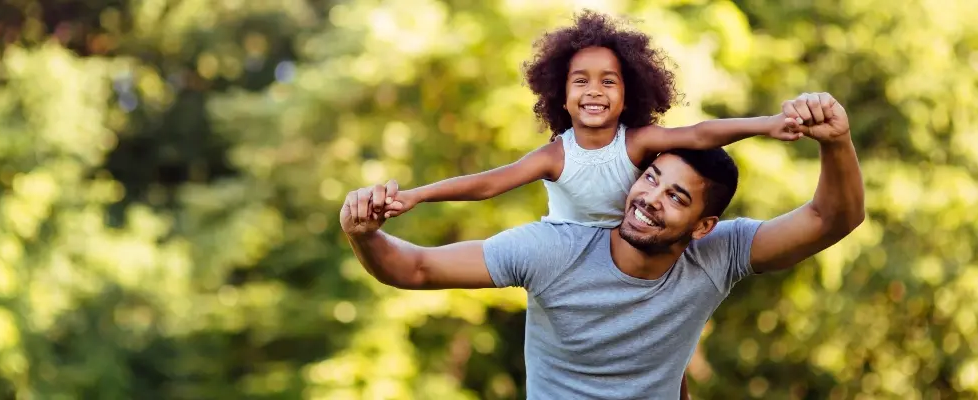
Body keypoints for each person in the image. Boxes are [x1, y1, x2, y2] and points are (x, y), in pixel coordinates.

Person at [339, 92, 865, 399]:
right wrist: (365, 233)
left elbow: (831, 218)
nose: (650, 198)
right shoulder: (553, 250)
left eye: (676, 196)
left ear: (703, 225)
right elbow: (415, 270)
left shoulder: (718, 254)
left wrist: (836, 140)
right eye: (651, 177)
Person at [376, 10, 805, 228]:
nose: (594, 91)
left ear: (628, 94)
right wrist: (417, 195)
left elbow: (700, 133)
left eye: (609, 82)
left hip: (629, 249)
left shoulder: (636, 141)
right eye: (580, 81)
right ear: (561, 96)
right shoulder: (555, 156)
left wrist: (766, 124)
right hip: (564, 248)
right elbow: (489, 183)